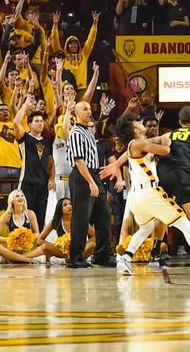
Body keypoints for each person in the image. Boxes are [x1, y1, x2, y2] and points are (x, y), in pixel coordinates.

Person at [111, 114, 190, 276]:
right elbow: (166, 150)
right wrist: (167, 141)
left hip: (137, 196)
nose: (142, 123)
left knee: (146, 227)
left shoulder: (138, 144)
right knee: (184, 222)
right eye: (139, 122)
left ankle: (126, 258)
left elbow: (153, 145)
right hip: (149, 192)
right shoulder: (139, 142)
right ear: (135, 131)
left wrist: (117, 163)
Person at [65, 102, 113, 268]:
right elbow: (79, 161)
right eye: (84, 109)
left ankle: (102, 256)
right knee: (81, 218)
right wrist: (91, 182)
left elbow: (98, 124)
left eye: (89, 109)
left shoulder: (88, 130)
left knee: (104, 216)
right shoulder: (76, 133)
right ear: (76, 113)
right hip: (82, 176)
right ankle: (75, 258)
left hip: (94, 175)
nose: (89, 111)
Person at [13, 100, 55, 227]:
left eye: (41, 121)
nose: (40, 123)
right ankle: (23, 244)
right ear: (29, 124)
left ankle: (38, 245)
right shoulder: (24, 138)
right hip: (27, 182)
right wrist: (25, 105)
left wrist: (52, 179)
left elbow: (51, 163)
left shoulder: (47, 142)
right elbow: (15, 122)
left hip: (43, 184)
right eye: (36, 121)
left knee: (40, 218)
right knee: (25, 216)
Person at [0, 189, 47, 264]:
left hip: (28, 250)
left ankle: (12, 258)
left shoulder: (30, 214)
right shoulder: (6, 216)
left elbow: (37, 234)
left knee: (43, 248)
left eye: (22, 196)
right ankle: (30, 260)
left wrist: (26, 239)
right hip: (13, 249)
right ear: (12, 200)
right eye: (17, 196)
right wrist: (12, 239)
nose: (20, 197)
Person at [39, 198, 97, 264]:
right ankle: (69, 259)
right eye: (65, 205)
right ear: (60, 210)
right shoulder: (55, 222)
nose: (69, 206)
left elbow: (94, 236)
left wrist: (85, 244)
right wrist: (56, 245)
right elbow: (39, 240)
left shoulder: (81, 220)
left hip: (79, 251)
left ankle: (66, 260)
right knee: (45, 247)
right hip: (63, 251)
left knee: (92, 244)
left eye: (70, 204)